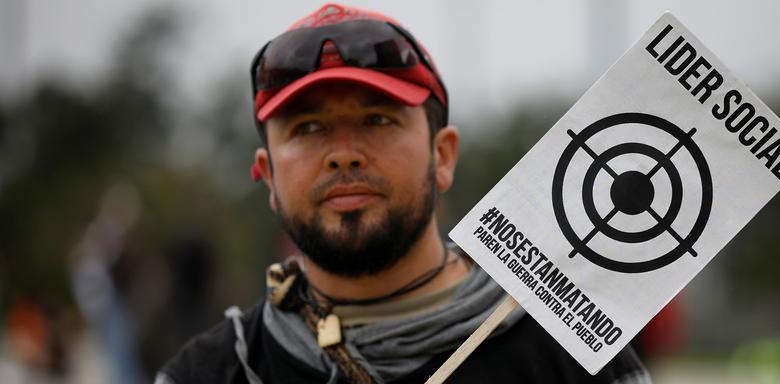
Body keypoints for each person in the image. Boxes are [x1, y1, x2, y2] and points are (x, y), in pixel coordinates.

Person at [157, 4, 650, 383]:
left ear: (444, 156)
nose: (343, 154)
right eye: (307, 127)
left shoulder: (572, 357)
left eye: (378, 119)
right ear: (267, 175)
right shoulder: (210, 372)